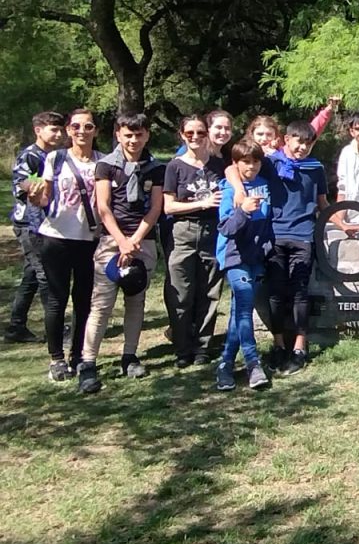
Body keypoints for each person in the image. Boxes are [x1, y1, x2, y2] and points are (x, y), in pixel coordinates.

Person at [230, 121, 328, 376]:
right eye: (298, 141)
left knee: (299, 292)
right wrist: (240, 191)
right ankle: (278, 345)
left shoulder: (315, 167)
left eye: (308, 143)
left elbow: (322, 202)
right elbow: (234, 167)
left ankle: (299, 348)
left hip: (303, 236)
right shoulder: (272, 163)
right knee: (274, 293)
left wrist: (342, 223)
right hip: (274, 236)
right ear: (286, 139)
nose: (303, 147)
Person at [78, 113, 165, 394]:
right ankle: (88, 362)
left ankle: (130, 355)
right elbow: (103, 207)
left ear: (147, 135)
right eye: (128, 134)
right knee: (101, 304)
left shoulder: (155, 168)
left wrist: (136, 240)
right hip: (111, 240)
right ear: (118, 135)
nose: (133, 140)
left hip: (143, 241)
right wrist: (121, 241)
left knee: (135, 300)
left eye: (139, 134)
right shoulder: (106, 166)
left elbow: (155, 208)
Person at [28, 110, 103, 381]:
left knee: (84, 300)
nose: (81, 131)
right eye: (76, 126)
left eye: (88, 126)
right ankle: (56, 359)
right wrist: (34, 196)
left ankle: (79, 355)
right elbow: (43, 195)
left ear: (96, 130)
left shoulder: (103, 162)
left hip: (89, 239)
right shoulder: (54, 158)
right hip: (56, 237)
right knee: (57, 300)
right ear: (69, 131)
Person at [163, 114, 226, 367]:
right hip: (183, 232)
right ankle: (182, 348)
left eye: (201, 133)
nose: (196, 137)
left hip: (213, 231)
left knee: (209, 292)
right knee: (180, 292)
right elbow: (168, 207)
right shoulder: (175, 166)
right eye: (190, 133)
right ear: (182, 135)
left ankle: (202, 347)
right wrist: (201, 203)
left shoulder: (219, 165)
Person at [214, 140, 273, 392]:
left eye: (255, 161)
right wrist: (244, 210)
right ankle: (253, 362)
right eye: (245, 162)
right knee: (246, 305)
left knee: (240, 311)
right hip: (234, 257)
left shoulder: (264, 186)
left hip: (256, 257)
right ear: (236, 164)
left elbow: (268, 222)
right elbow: (226, 228)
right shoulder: (229, 189)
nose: (251, 166)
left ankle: (225, 364)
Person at [6, 111, 65, 343]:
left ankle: (15, 327)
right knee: (45, 275)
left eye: (61, 129)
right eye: (53, 129)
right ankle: (57, 328)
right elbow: (21, 184)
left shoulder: (58, 155)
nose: (59, 134)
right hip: (29, 224)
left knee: (31, 275)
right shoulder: (31, 156)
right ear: (38, 130)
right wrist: (42, 186)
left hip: (47, 222)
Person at [246, 97, 341, 152]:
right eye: (260, 134)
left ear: (276, 135)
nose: (264, 138)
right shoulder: (243, 152)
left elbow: (312, 130)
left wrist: (329, 109)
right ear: (252, 133)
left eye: (269, 134)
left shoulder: (283, 152)